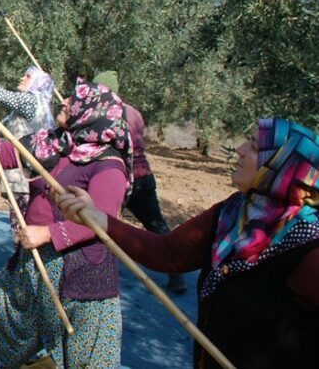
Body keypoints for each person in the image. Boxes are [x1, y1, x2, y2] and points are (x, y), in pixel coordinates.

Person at [56, 117, 319, 367]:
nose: (239, 150)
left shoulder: (308, 246)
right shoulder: (233, 213)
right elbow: (168, 253)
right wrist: (99, 219)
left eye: (253, 146)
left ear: (283, 165)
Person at [0, 78, 131, 369]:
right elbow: (6, 156)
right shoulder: (56, 142)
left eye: (73, 100)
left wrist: (46, 233)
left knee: (84, 353)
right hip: (33, 264)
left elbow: (101, 219)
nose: (65, 102)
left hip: (80, 275)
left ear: (91, 113)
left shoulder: (109, 166)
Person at [92, 70, 186, 295]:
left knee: (99, 221)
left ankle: (92, 271)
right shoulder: (134, 112)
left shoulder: (106, 113)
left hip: (121, 177)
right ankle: (177, 274)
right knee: (156, 224)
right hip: (144, 176)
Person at [0, 63, 57, 234]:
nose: (22, 78)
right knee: (25, 217)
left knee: (23, 221)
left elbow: (3, 95)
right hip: (29, 170)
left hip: (24, 172)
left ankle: (22, 254)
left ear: (37, 83)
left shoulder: (31, 100)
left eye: (28, 76)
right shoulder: (42, 105)